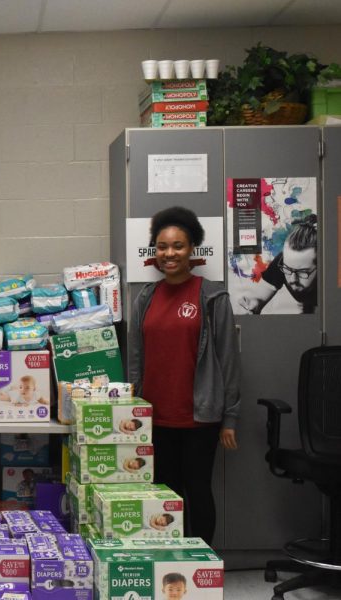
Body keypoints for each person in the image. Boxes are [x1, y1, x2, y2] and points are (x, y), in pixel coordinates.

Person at [128, 206, 241, 545]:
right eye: (162, 247)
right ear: (155, 251)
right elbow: (135, 359)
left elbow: (229, 361)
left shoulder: (212, 297)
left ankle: (202, 561)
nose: (169, 253)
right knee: (164, 493)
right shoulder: (144, 298)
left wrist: (230, 418)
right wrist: (133, 410)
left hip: (199, 418)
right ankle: (170, 558)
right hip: (155, 418)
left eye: (178, 246)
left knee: (197, 490)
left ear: (192, 249)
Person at [237, 214, 318, 314]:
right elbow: (260, 297)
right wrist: (255, 304)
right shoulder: (281, 262)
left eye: (302, 272)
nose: (292, 280)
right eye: (287, 269)